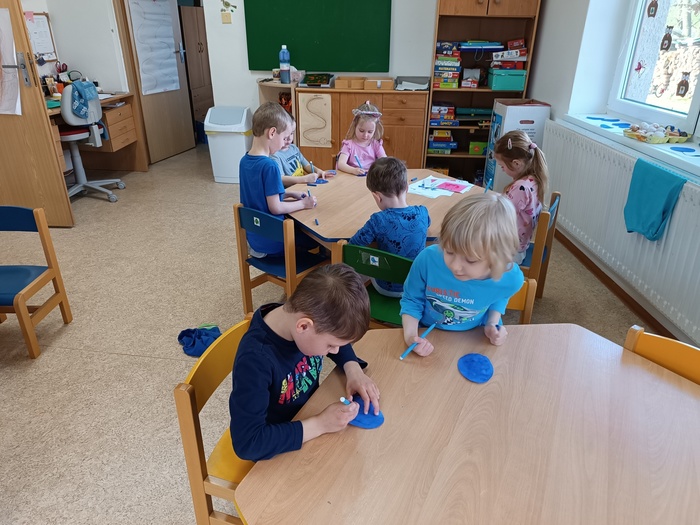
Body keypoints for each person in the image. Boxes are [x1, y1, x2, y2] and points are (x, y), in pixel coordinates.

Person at [229, 264, 381, 461]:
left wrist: (353, 370)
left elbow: (336, 336)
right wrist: (320, 424)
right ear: (303, 326)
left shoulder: (297, 318)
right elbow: (248, 443)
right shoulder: (255, 361)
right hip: (275, 448)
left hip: (306, 419)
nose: (336, 351)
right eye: (330, 346)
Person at [400, 193, 523, 354]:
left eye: (471, 260)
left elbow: (500, 295)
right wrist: (411, 336)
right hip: (426, 331)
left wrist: (492, 323)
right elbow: (411, 300)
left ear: (497, 259)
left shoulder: (511, 279)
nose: (455, 266)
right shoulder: (427, 260)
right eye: (449, 251)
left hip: (475, 337)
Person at [239, 102, 317, 257]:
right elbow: (276, 208)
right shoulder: (270, 166)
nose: (284, 144)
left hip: (255, 238)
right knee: (317, 240)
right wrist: (304, 203)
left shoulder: (244, 161)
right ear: (272, 133)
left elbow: (260, 196)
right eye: (284, 137)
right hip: (275, 241)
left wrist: (290, 194)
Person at [348, 157, 430, 297]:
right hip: (417, 286)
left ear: (377, 197)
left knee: (369, 265)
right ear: (407, 188)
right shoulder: (422, 212)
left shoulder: (378, 220)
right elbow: (427, 224)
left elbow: (353, 245)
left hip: (386, 288)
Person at [493, 130, 550, 264]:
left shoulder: (520, 188)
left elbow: (499, 217)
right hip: (520, 245)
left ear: (516, 163)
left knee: (468, 247)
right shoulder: (533, 180)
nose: (502, 170)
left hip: (510, 252)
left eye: (502, 166)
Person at [272, 116, 329, 187]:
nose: (290, 138)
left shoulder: (293, 148)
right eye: (286, 135)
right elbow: (281, 179)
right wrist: (305, 179)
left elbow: (307, 165)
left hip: (302, 186)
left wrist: (318, 171)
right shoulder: (274, 155)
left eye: (292, 133)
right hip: (292, 189)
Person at [337, 100, 387, 175]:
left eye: (370, 132)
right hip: (352, 177)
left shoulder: (376, 145)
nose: (365, 135)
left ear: (375, 130)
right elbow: (341, 164)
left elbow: (385, 162)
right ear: (355, 126)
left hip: (371, 178)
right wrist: (353, 170)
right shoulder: (348, 145)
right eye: (361, 131)